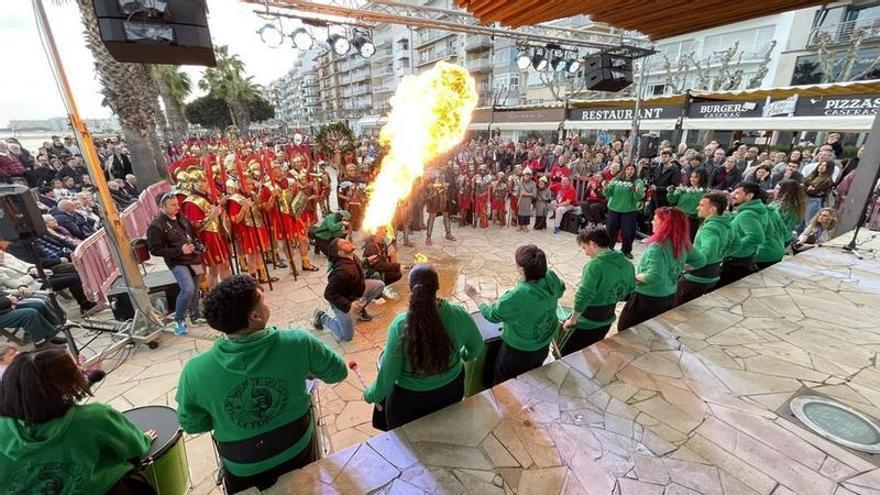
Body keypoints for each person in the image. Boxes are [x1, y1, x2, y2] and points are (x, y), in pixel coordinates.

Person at [175, 275, 346, 493]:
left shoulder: (195, 370)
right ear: (255, 316)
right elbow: (337, 372)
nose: (267, 305)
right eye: (263, 300)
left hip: (243, 467)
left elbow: (193, 424)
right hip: (297, 449)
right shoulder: (298, 342)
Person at [0, 347, 156, 494]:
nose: (82, 370)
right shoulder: (95, 417)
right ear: (65, 382)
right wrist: (145, 439)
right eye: (76, 368)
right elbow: (135, 448)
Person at [364, 264, 483, 429]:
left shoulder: (400, 326)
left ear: (411, 289)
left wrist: (371, 395)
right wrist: (464, 355)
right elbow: (476, 347)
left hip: (409, 402)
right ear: (438, 287)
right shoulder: (458, 314)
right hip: (451, 391)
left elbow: (387, 375)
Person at [464, 245, 565, 385]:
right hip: (543, 343)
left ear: (521, 269)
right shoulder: (551, 276)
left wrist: (474, 296)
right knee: (531, 377)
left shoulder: (517, 296)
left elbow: (491, 315)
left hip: (519, 351)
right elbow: (561, 290)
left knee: (505, 384)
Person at [618, 207, 706, 330]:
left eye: (655, 219)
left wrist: (632, 277)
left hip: (646, 298)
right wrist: (678, 269)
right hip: (668, 296)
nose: (652, 222)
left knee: (625, 330)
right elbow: (701, 261)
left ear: (665, 224)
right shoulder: (681, 242)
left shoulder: (657, 247)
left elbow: (653, 277)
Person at [560, 228, 635, 355]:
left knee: (567, 354)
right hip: (607, 319)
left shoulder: (595, 266)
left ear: (593, 244)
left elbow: (583, 296)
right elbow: (630, 290)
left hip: (587, 322)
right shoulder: (628, 264)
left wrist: (572, 320)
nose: (585, 253)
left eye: (585, 248)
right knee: (590, 351)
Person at [146, 192, 205, 335]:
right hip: (177, 262)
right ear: (162, 206)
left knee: (196, 288)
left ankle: (195, 315)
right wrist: (180, 250)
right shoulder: (156, 226)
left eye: (177, 204)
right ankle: (179, 320)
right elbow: (154, 250)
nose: (177, 207)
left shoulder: (182, 219)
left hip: (193, 258)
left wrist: (197, 246)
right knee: (188, 289)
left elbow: (193, 234)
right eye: (173, 205)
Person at [313, 238, 385, 342]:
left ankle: (358, 310)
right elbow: (328, 294)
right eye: (344, 243)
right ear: (341, 253)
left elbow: (358, 265)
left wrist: (367, 261)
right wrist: (349, 305)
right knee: (347, 336)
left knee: (379, 285)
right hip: (342, 301)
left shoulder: (351, 256)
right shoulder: (342, 271)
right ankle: (321, 316)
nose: (348, 241)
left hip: (356, 291)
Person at [675, 193, 735, 306]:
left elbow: (708, 251)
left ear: (713, 209)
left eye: (702, 205)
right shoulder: (727, 223)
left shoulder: (710, 228)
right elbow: (736, 244)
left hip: (698, 276)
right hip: (714, 271)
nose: (698, 207)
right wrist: (721, 255)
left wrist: (688, 266)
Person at [718, 183, 769, 288]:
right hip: (747, 256)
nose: (733, 195)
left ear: (749, 196)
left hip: (737, 259)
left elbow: (757, 237)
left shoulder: (746, 214)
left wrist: (734, 246)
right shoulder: (757, 210)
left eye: (737, 193)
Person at [604, 163, 645, 259]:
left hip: (629, 210)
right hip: (614, 208)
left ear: (635, 171)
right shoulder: (616, 180)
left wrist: (636, 191)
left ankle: (626, 250)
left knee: (627, 232)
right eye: (627, 169)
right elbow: (608, 193)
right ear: (624, 170)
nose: (629, 172)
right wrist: (605, 187)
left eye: (631, 170)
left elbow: (638, 197)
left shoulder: (638, 182)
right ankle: (608, 248)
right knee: (610, 230)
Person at [667, 168, 710, 242]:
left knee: (688, 242)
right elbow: (672, 200)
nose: (692, 179)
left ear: (702, 178)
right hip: (679, 218)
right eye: (691, 177)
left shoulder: (706, 193)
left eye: (696, 177)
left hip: (693, 221)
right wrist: (670, 192)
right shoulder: (684, 190)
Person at [804, 161, 835, 225]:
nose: (821, 166)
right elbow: (803, 182)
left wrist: (808, 187)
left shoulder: (827, 179)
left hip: (815, 201)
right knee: (800, 222)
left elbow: (814, 191)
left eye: (824, 165)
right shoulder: (814, 175)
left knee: (809, 222)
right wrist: (809, 187)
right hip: (805, 199)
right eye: (820, 164)